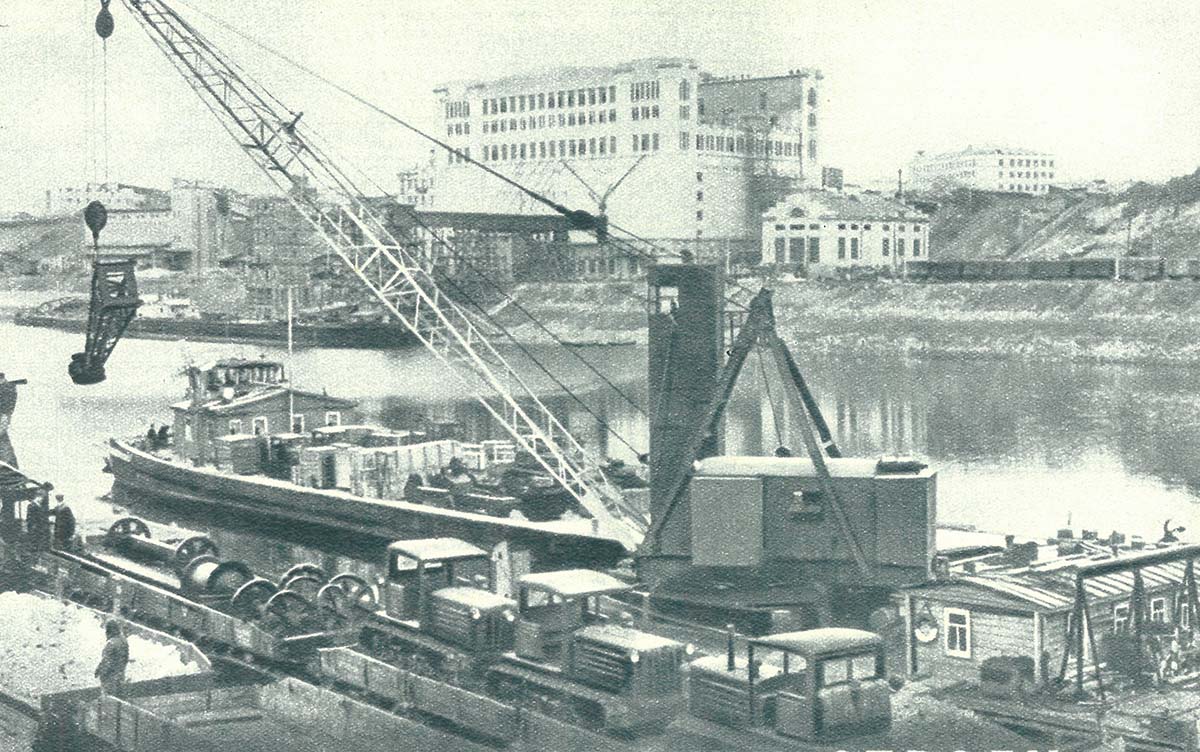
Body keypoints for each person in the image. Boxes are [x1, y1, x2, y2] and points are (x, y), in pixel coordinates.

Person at [95, 620, 129, 694]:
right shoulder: (123, 640)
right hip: (120, 673)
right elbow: (126, 658)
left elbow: (107, 661)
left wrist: (99, 671)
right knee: (119, 694)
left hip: (110, 676)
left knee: (108, 695)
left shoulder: (111, 643)